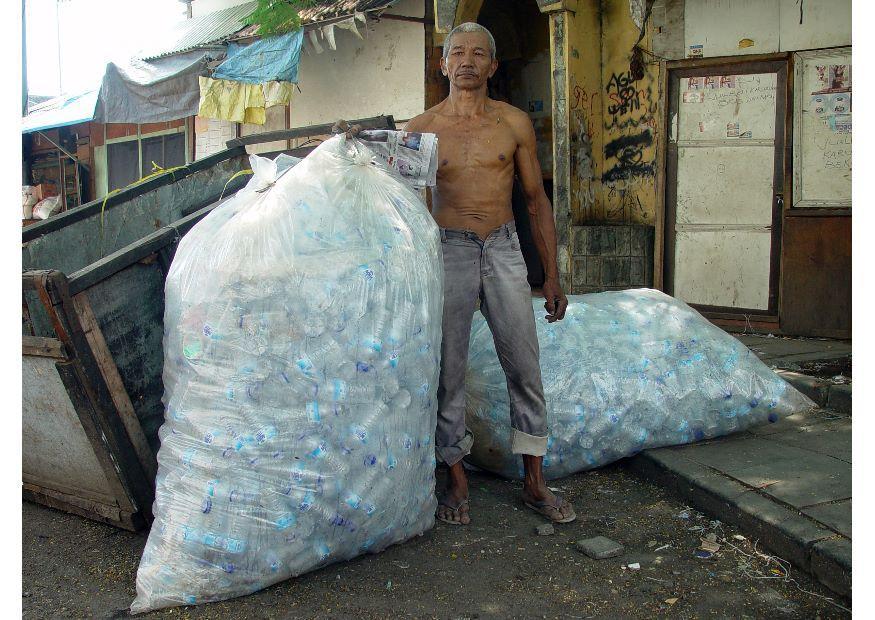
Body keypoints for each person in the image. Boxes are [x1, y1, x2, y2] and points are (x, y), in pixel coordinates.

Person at [332, 21, 574, 526]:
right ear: (443, 65)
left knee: (524, 365)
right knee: (449, 370)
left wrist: (551, 274)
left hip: (504, 248)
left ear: (492, 65)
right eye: (457, 53)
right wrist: (356, 148)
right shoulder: (422, 130)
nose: (466, 61)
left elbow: (535, 200)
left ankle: (534, 480)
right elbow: (398, 204)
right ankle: (456, 477)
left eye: (477, 53)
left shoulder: (513, 123)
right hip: (449, 249)